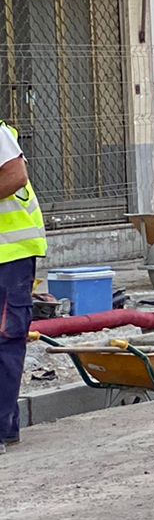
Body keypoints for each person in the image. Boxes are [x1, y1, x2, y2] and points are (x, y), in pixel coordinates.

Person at [0, 118, 45, 454]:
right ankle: (7, 425)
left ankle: (2, 430)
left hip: (10, 255)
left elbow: (16, 175)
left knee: (5, 340)